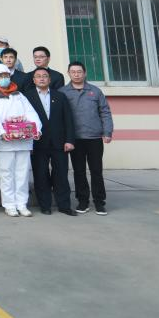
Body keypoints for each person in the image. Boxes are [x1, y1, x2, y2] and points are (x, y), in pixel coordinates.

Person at [0, 64, 41, 217]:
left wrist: (37, 128)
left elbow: (30, 112)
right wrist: (1, 131)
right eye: (0, 76)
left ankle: (22, 204)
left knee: (22, 173)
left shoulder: (19, 95)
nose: (4, 78)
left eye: (6, 76)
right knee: (6, 173)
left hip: (23, 140)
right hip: (3, 142)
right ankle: (9, 205)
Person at [59, 62, 114, 215]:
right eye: (73, 72)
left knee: (96, 171)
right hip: (74, 138)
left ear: (84, 73)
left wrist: (107, 131)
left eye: (79, 72)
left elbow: (105, 112)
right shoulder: (63, 92)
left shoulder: (95, 91)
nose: (76, 74)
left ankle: (99, 202)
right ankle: (82, 201)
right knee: (79, 171)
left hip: (94, 137)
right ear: (69, 73)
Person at [22, 67, 75, 216]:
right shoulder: (26, 97)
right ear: (34, 80)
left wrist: (69, 140)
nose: (42, 78)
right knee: (40, 175)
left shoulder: (60, 96)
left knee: (61, 175)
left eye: (44, 76)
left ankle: (64, 205)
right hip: (37, 143)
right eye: (38, 76)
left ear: (49, 79)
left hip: (60, 142)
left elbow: (68, 119)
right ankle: (45, 205)